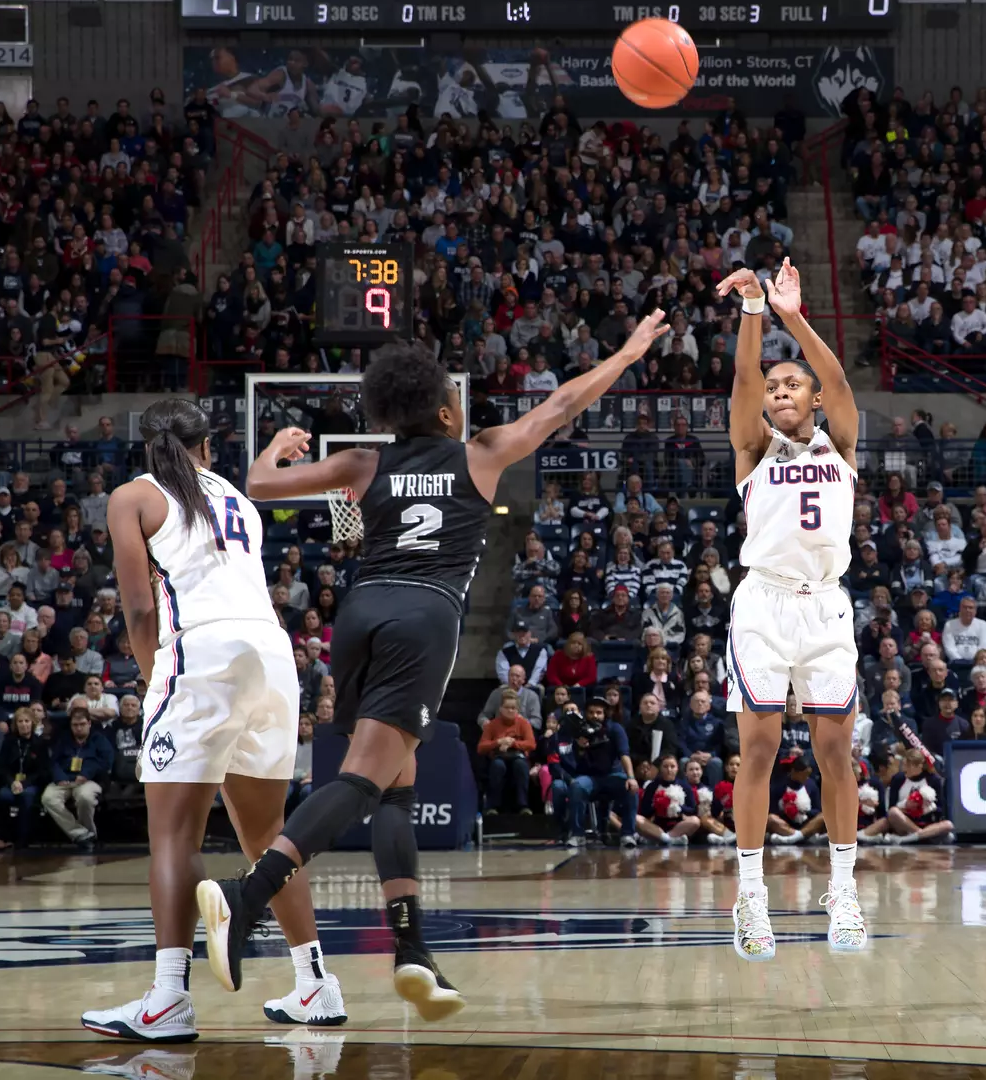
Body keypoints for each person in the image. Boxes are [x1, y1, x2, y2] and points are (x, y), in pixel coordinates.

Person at [196, 317, 668, 1017]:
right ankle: (248, 894)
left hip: (358, 616)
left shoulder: (362, 462)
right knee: (362, 783)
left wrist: (276, 445)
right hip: (424, 618)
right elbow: (562, 405)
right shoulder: (478, 453)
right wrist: (627, 352)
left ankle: (414, 950)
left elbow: (260, 484)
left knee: (393, 788)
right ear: (447, 411)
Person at [79, 399, 346, 1043]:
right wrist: (270, 454)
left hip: (202, 653)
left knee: (175, 838)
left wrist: (154, 682)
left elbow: (141, 613)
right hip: (274, 657)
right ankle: (315, 984)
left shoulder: (133, 497)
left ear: (149, 446)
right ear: (207, 446)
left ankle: (169, 997)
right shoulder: (237, 498)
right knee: (266, 836)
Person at [716, 259, 866, 961]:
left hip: (827, 606)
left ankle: (844, 893)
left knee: (836, 750)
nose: (779, 389)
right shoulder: (752, 449)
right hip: (764, 605)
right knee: (761, 746)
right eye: (775, 385)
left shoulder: (840, 442)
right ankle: (750, 897)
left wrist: (794, 316)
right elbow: (744, 381)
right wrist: (754, 312)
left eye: (791, 383)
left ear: (810, 401)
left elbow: (837, 380)